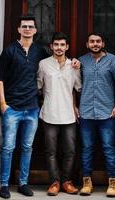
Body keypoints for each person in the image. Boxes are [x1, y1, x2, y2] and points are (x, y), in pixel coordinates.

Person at [0, 15, 49, 199]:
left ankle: (23, 183)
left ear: (35, 30)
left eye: (30, 26)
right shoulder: (9, 51)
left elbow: (54, 65)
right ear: (18, 29)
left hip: (32, 108)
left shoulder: (40, 51)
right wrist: (3, 104)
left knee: (27, 147)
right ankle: (4, 185)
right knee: (8, 147)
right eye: (24, 26)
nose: (27, 29)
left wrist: (74, 63)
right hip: (12, 108)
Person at [78, 32, 115, 197]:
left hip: (107, 113)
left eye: (98, 41)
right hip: (86, 113)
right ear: (87, 44)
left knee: (109, 148)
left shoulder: (112, 60)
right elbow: (75, 84)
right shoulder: (81, 61)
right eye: (92, 41)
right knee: (87, 148)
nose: (95, 44)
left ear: (103, 43)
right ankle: (86, 183)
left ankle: (113, 183)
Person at [37, 32, 81, 196]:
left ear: (67, 47)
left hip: (69, 115)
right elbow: (38, 87)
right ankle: (54, 182)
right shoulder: (43, 64)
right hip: (49, 114)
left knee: (69, 150)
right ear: (51, 47)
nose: (59, 48)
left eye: (62, 45)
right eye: (56, 44)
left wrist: (75, 105)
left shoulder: (74, 66)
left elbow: (78, 88)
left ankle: (66, 181)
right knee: (51, 151)